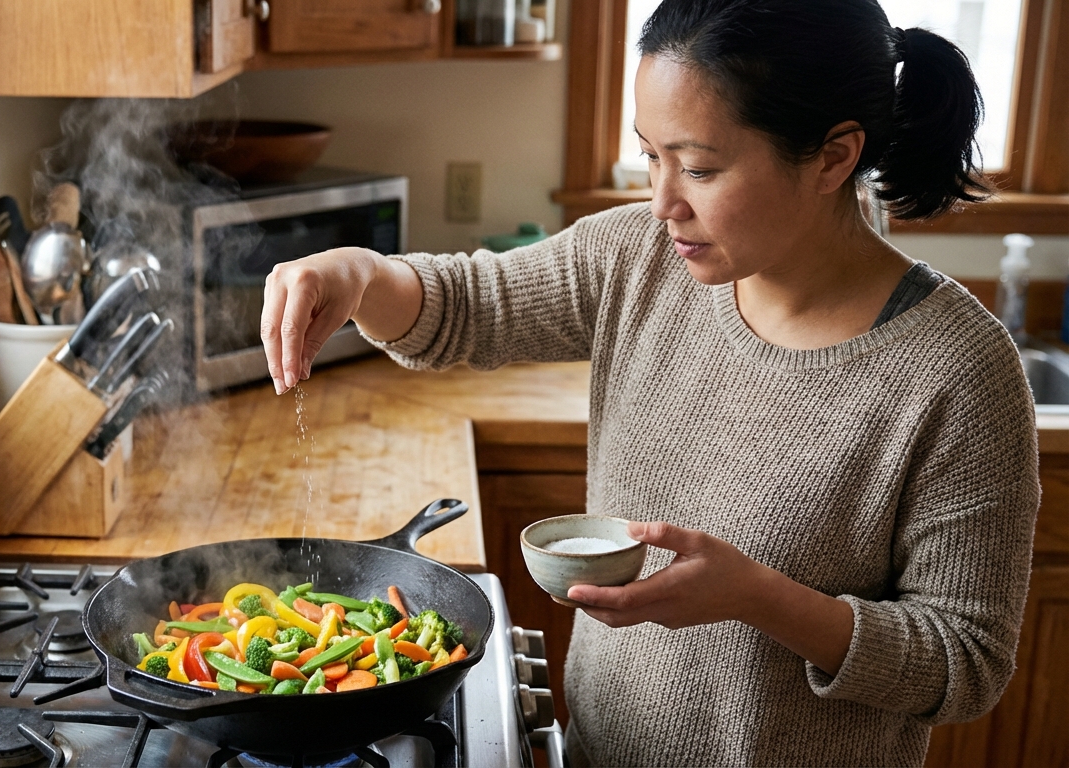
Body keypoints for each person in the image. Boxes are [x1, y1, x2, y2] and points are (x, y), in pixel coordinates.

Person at [258, 0, 1039, 764]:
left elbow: (964, 662)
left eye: (698, 167)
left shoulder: (958, 369)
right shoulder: (637, 258)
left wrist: (759, 598)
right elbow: (464, 306)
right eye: (651, 156)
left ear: (834, 157)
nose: (663, 203)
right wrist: (358, 272)